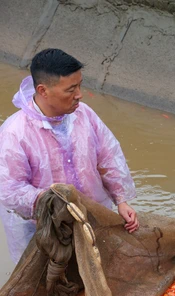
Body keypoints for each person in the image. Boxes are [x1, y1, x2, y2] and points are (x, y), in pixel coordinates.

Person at [0, 48, 138, 263]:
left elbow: (109, 157)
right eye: (71, 89)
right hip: (42, 231)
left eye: (80, 85)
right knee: (48, 284)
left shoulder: (84, 114)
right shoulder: (15, 133)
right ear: (43, 90)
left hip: (92, 219)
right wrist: (52, 202)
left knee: (95, 271)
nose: (79, 95)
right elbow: (10, 190)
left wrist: (121, 200)